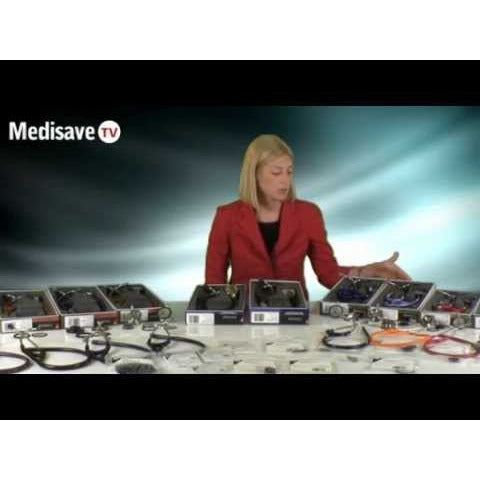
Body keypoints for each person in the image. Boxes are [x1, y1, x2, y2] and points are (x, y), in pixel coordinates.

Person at [205, 134, 411, 297]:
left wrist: (366, 272)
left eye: (289, 172)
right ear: (254, 174)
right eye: (276, 172)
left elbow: (328, 274)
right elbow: (214, 282)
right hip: (243, 316)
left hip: (293, 312)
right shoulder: (226, 216)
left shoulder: (308, 214)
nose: (285, 180)